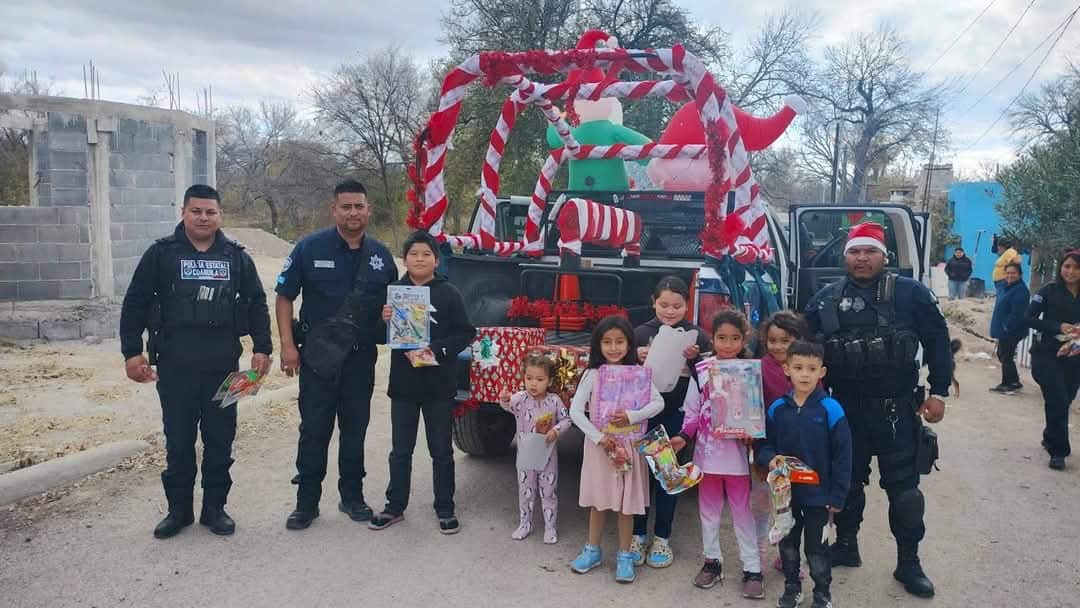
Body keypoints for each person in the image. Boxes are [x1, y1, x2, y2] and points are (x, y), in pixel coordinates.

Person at [804, 222, 951, 598]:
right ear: (845, 256)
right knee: (848, 484)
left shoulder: (911, 294)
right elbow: (799, 349)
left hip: (896, 411)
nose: (862, 258)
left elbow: (938, 343)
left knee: (905, 492)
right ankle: (846, 546)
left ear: (884, 256)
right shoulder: (824, 299)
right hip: (843, 410)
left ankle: (908, 562)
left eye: (870, 251)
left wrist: (938, 392)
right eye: (855, 251)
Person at [119, 184, 272, 539]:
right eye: (196, 211)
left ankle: (215, 509)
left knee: (221, 440)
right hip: (175, 367)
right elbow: (136, 302)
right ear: (184, 212)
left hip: (227, 368)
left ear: (220, 215)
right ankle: (179, 511)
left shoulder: (236, 256)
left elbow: (256, 303)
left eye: (210, 212)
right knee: (179, 441)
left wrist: (262, 347)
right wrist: (131, 352)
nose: (203, 218)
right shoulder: (161, 254)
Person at [275, 179, 398, 530]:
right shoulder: (309, 248)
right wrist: (287, 345)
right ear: (334, 210)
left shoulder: (380, 256)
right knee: (314, 430)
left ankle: (352, 497)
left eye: (359, 206)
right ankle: (306, 503)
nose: (353, 212)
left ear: (368, 209)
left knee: (355, 429)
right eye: (346, 206)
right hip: (318, 358)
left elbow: (397, 303)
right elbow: (284, 296)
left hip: (360, 358)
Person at [368, 230, 476, 534]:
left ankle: (445, 507)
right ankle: (394, 506)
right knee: (400, 450)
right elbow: (378, 336)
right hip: (403, 385)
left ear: (436, 261)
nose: (419, 259)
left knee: (440, 450)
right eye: (414, 254)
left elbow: (466, 333)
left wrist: (438, 349)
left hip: (439, 385)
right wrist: (384, 320)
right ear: (405, 259)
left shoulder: (449, 293)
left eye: (426, 254)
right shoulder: (395, 292)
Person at [671, 309, 765, 600]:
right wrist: (683, 436)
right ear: (712, 338)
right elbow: (692, 410)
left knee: (742, 512)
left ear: (744, 339)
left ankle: (752, 568)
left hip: (738, 455)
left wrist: (754, 434)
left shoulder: (750, 370)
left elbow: (755, 412)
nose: (727, 344)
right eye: (722, 337)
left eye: (734, 338)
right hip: (707, 454)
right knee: (708, 511)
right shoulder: (701, 371)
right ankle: (712, 561)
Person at [756, 340, 852, 608]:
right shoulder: (777, 408)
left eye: (812, 368)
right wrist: (769, 458)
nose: (805, 374)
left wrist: (838, 495)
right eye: (798, 367)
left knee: (816, 547)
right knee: (787, 544)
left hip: (818, 497)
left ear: (822, 372)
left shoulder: (831, 409)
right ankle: (792, 588)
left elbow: (843, 456)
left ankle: (822, 592)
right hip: (785, 494)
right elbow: (763, 444)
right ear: (787, 370)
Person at [569, 316, 664, 584]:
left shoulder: (638, 373)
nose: (613, 348)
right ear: (598, 345)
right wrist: (599, 438)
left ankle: (624, 555)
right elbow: (576, 411)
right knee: (599, 501)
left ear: (629, 344)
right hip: (601, 448)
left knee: (626, 505)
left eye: (620, 341)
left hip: (630, 446)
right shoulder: (593, 374)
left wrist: (633, 416)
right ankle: (592, 550)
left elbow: (658, 403)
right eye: (607, 342)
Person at [630, 276, 712, 569]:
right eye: (664, 304)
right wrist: (635, 356)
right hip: (644, 413)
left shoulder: (697, 336)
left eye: (677, 305)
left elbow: (707, 380)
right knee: (639, 476)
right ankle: (637, 534)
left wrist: (695, 360)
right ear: (654, 302)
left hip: (676, 413)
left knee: (668, 476)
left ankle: (662, 537)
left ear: (687, 305)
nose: (670, 310)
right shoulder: (639, 333)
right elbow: (621, 372)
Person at [757, 310, 812, 574]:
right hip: (771, 444)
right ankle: (782, 555)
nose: (777, 346)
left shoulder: (806, 366)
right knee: (778, 502)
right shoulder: (759, 366)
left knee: (798, 503)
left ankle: (790, 555)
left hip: (801, 444)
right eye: (772, 340)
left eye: (785, 340)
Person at [498, 351, 571, 543]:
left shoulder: (554, 400)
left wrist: (555, 430)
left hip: (547, 456)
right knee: (525, 491)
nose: (533, 383)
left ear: (549, 380)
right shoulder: (520, 399)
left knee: (548, 491)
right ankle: (525, 524)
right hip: (525, 456)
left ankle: (550, 527)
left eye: (539, 379)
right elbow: (506, 406)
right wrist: (505, 398)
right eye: (529, 378)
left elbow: (566, 419)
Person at [1027, 250, 1080, 471]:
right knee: (1058, 398)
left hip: (1074, 356)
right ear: (1061, 268)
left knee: (1065, 399)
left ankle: (1050, 436)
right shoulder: (1048, 291)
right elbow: (1027, 317)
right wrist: (1057, 326)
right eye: (1067, 266)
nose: (1071, 271)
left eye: (1076, 268)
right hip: (1047, 355)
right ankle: (1059, 451)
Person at [989, 262, 1030, 393]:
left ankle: (1008, 383)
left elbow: (1017, 313)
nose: (1010, 275)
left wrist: (1007, 327)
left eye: (1013, 273)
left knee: (1006, 355)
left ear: (1020, 274)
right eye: (1008, 273)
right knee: (1003, 354)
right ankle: (1014, 381)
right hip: (1004, 328)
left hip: (1012, 329)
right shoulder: (1005, 286)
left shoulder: (1021, 290)